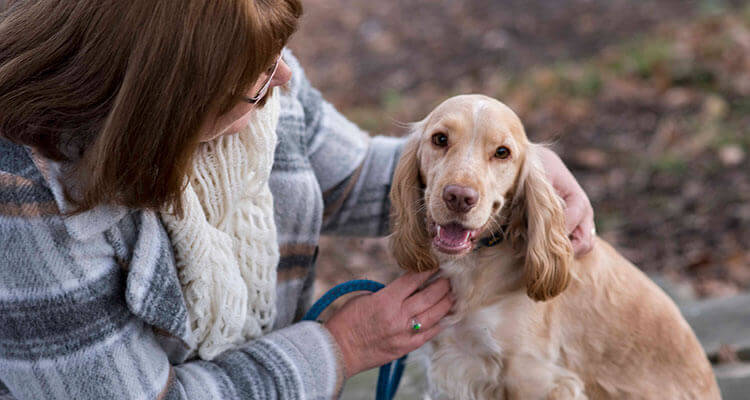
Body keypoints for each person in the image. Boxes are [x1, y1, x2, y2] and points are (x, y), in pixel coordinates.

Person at [0, 1, 594, 399]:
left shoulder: (256, 76)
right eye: (257, 76)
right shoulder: (26, 201)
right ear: (167, 99)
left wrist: (516, 175)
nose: (284, 77)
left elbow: (353, 176)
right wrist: (339, 347)